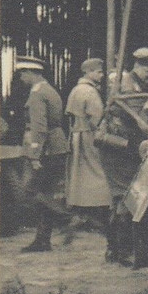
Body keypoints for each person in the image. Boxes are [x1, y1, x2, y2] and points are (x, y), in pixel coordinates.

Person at [99, 46, 148, 265]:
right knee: (125, 196)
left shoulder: (139, 83)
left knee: (123, 197)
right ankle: (121, 250)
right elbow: (140, 116)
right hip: (116, 146)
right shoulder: (126, 84)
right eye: (147, 68)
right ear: (137, 65)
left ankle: (115, 250)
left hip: (128, 145)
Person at [15, 56, 70, 253]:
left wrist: (35, 154)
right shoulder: (49, 90)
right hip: (57, 146)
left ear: (31, 73)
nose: (21, 77)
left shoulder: (37, 94)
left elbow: (39, 127)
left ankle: (68, 217)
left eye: (22, 73)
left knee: (31, 192)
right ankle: (43, 239)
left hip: (46, 149)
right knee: (45, 192)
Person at [63, 57, 111, 235]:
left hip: (77, 134)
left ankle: (82, 210)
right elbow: (96, 117)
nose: (101, 75)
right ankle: (99, 212)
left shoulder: (76, 90)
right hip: (89, 136)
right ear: (89, 73)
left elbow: (70, 114)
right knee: (98, 171)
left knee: (79, 174)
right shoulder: (90, 92)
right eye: (98, 72)